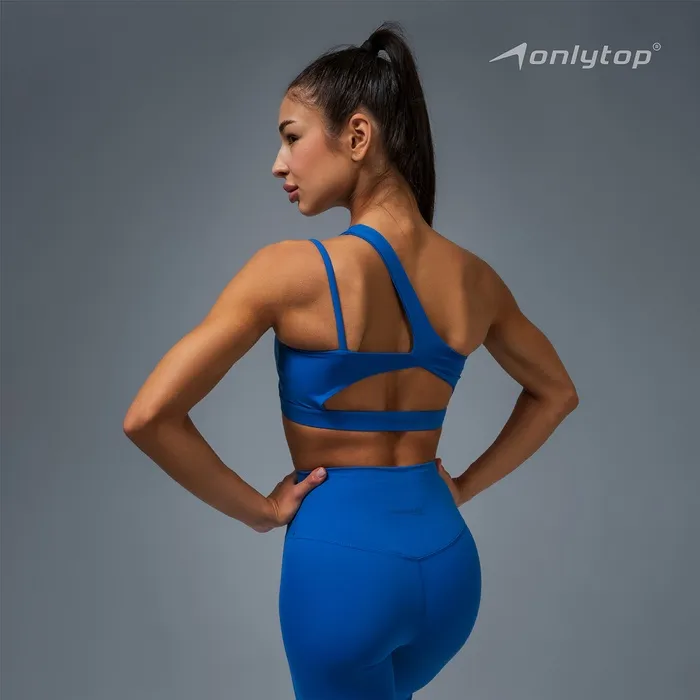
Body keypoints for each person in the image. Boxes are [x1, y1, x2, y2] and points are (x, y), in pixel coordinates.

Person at [123, 20, 579, 700]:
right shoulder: (475, 279)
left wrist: (260, 510)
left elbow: (149, 417)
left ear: (358, 136)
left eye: (291, 137)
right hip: (450, 571)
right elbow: (556, 393)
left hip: (344, 575)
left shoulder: (287, 272)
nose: (278, 164)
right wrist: (464, 486)